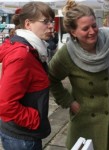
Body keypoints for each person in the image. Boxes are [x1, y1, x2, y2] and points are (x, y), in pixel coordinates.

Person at [48, 0, 109, 150]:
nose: (92, 31)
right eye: (85, 28)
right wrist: (69, 102)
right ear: (73, 32)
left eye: (94, 25)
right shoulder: (67, 53)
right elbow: (51, 79)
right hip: (85, 118)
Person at [0, 1, 55, 150]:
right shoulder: (22, 55)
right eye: (46, 21)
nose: (51, 26)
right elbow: (5, 104)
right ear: (28, 24)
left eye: (52, 21)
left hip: (22, 134)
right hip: (22, 137)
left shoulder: (34, 50)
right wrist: (35, 120)